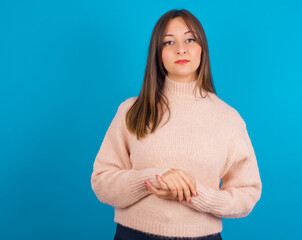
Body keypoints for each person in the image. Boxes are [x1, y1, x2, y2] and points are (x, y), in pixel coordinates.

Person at [91, 9, 262, 240]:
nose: (180, 49)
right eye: (168, 42)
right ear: (158, 54)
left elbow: (247, 194)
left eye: (190, 39)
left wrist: (196, 195)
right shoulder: (132, 110)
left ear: (203, 48)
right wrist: (152, 178)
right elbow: (102, 181)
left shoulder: (228, 118)